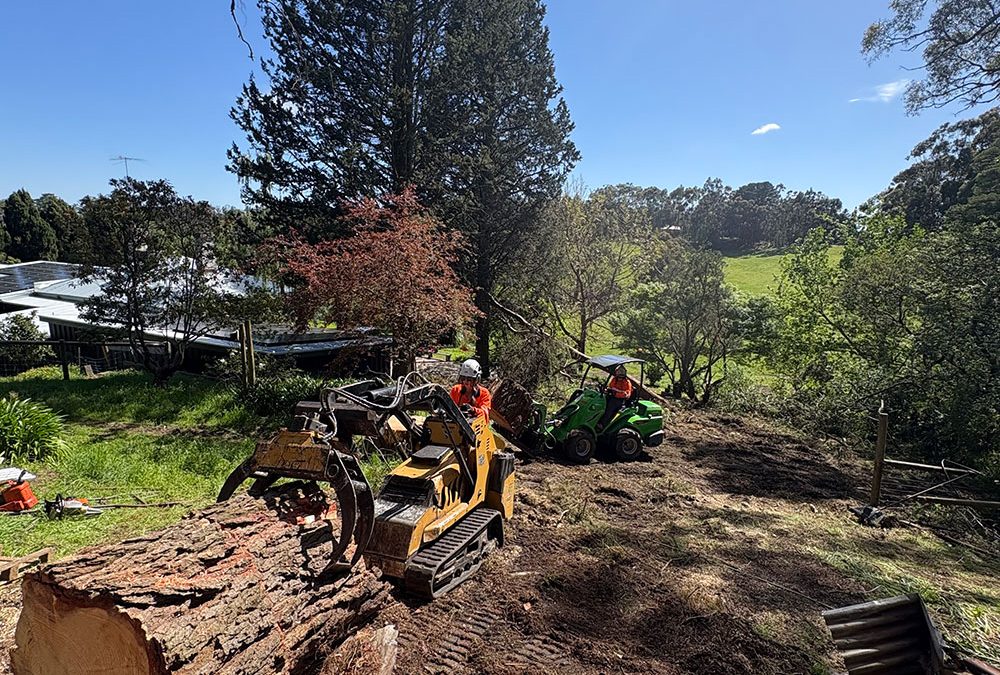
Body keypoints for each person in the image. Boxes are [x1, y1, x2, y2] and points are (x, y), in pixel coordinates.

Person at [596, 364, 632, 432]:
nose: (619, 378)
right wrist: (607, 390)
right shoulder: (614, 379)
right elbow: (610, 387)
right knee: (600, 402)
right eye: (618, 376)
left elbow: (627, 395)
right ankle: (596, 419)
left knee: (610, 406)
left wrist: (616, 393)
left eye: (621, 376)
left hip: (620, 401)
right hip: (612, 396)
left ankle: (602, 424)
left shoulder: (626, 382)